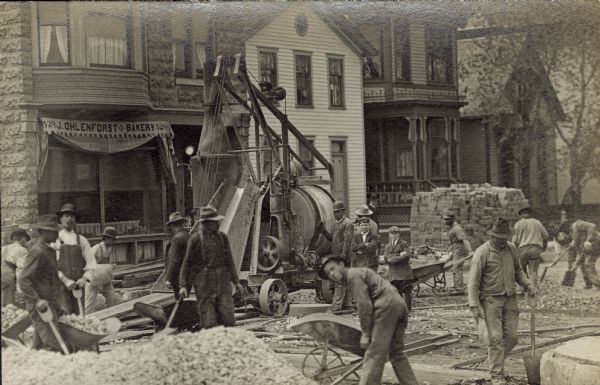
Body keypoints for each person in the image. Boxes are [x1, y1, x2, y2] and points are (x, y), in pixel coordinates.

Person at [318, 256, 419, 385]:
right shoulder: (359, 272)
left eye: (332, 269)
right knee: (396, 353)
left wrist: (366, 334)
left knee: (374, 353)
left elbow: (364, 306)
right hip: (399, 304)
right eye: (328, 273)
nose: (332, 274)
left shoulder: (353, 276)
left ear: (342, 264)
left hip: (386, 307)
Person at [468, 218, 535, 385]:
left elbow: (518, 271)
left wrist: (528, 285)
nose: (503, 240)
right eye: (500, 237)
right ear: (493, 236)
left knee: (512, 337)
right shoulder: (482, 253)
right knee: (496, 338)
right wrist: (474, 305)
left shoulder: (511, 249)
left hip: (510, 298)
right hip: (490, 300)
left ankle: (495, 360)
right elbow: (473, 282)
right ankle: (497, 375)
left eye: (505, 237)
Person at [179, 205, 244, 329]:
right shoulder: (195, 239)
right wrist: (183, 286)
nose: (217, 224)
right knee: (208, 318)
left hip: (222, 279)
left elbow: (229, 261)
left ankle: (228, 341)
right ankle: (211, 342)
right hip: (204, 281)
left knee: (227, 314)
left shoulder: (222, 238)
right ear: (206, 223)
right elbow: (186, 264)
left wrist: (236, 282)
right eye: (214, 222)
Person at [18, 214, 64, 352]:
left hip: (49, 304)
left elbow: (51, 280)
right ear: (45, 232)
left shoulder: (48, 250)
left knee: (38, 346)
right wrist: (36, 300)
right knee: (52, 345)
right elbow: (23, 279)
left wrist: (57, 305)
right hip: (41, 307)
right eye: (54, 231)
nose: (57, 234)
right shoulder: (38, 251)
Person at [55, 203, 96, 316]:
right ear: (61, 219)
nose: (69, 219)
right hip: (62, 286)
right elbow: (52, 264)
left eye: (72, 216)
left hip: (79, 286)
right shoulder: (56, 239)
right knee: (65, 316)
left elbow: (91, 263)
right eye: (66, 216)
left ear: (76, 219)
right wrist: (65, 280)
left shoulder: (81, 240)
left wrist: (84, 279)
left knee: (80, 316)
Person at [317, 201, 354, 311]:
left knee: (339, 281)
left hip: (343, 257)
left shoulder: (348, 223)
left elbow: (348, 241)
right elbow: (332, 238)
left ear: (343, 212)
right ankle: (348, 305)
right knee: (343, 281)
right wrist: (323, 230)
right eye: (334, 212)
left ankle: (337, 306)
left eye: (338, 212)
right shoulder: (337, 224)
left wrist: (343, 255)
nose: (336, 214)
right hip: (337, 256)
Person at [84, 227, 121, 315]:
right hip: (93, 277)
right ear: (106, 238)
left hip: (104, 278)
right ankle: (86, 323)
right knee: (89, 303)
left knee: (112, 297)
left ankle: (108, 317)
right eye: (113, 239)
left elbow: (107, 262)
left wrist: (111, 266)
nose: (114, 242)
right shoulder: (96, 248)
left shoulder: (109, 248)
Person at [512, 207, 549, 288]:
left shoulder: (518, 224)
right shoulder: (537, 223)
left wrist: (514, 253)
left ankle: (524, 288)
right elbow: (545, 236)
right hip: (535, 249)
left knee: (522, 271)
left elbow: (514, 241)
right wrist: (544, 247)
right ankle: (533, 289)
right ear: (530, 213)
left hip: (522, 250)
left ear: (521, 214)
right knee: (534, 271)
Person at [384, 226, 413, 312]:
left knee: (407, 292)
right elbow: (386, 257)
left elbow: (406, 255)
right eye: (391, 234)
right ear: (389, 235)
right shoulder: (387, 246)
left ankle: (408, 310)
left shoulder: (404, 243)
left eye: (395, 233)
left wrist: (392, 258)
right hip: (394, 273)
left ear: (399, 234)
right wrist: (399, 255)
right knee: (396, 292)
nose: (393, 235)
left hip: (404, 273)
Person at [444, 211, 473, 293]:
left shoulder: (457, 228)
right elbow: (454, 241)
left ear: (452, 219)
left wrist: (470, 250)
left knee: (457, 268)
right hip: (455, 248)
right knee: (454, 267)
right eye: (445, 219)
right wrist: (449, 250)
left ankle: (459, 288)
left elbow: (464, 240)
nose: (445, 221)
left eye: (447, 219)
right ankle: (457, 286)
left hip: (460, 249)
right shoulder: (452, 227)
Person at [164, 212, 190, 300]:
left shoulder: (176, 239)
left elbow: (174, 260)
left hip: (178, 277)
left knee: (179, 302)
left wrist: (169, 279)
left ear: (171, 226)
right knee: (185, 300)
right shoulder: (188, 236)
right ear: (183, 224)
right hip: (188, 276)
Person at [1, 229, 30, 306]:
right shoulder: (22, 250)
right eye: (25, 239)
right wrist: (20, 288)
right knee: (9, 305)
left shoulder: (4, 248)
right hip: (9, 277)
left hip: (2, 276)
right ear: (23, 238)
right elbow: (21, 270)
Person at [570, 220, 600, 290]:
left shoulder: (577, 225)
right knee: (582, 263)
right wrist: (575, 264)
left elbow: (592, 225)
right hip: (587, 247)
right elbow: (579, 253)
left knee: (588, 263)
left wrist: (588, 240)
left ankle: (598, 284)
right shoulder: (576, 240)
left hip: (596, 244)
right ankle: (588, 284)